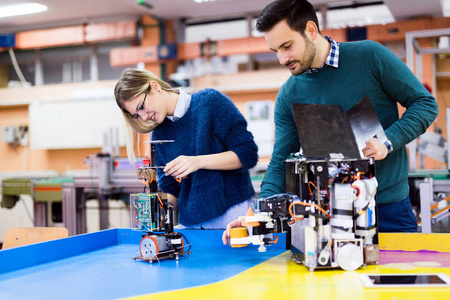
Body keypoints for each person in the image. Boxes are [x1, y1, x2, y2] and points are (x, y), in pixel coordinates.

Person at [223, 0, 439, 244]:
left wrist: (387, 142)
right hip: (330, 219)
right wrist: (258, 213)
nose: (282, 59)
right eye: (276, 51)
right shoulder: (289, 95)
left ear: (311, 31)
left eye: (287, 46)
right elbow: (281, 160)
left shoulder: (369, 57)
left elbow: (425, 104)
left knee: (398, 280)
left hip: (388, 208)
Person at [115, 68, 258, 229]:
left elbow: (248, 153)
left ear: (155, 87)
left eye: (141, 107)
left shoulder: (211, 103)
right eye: (136, 115)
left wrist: (198, 162)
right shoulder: (159, 135)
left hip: (233, 219)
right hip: (193, 228)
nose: (144, 116)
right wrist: (153, 203)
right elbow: (173, 192)